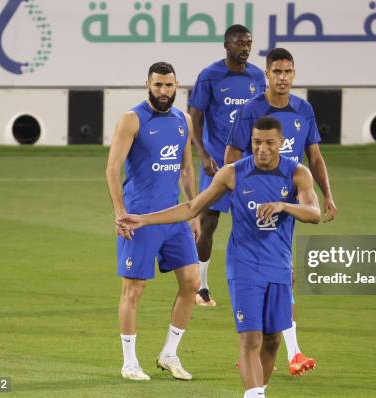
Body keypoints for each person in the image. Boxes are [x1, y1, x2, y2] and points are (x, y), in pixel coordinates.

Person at [118, 116, 321, 398]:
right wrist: (143, 219)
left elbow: (314, 213)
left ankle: (259, 389)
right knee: (251, 338)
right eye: (257, 142)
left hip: (279, 266)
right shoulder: (233, 173)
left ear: (282, 143)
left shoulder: (297, 173)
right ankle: (254, 394)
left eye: (269, 143)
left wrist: (283, 205)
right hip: (244, 267)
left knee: (272, 340)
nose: (262, 148)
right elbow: (191, 207)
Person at [224, 47, 337, 376]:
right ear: (267, 75)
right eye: (277, 72)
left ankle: (274, 349)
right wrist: (244, 196)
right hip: (256, 208)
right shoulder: (250, 112)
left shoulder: (304, 110)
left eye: (288, 72)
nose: (283, 77)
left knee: (284, 275)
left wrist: (326, 195)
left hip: (289, 203)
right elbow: (231, 157)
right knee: (281, 274)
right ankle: (275, 348)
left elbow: (313, 156)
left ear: (294, 74)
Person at [105, 61, 200, 382]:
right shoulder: (132, 120)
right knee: (134, 289)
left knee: (192, 283)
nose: (163, 91)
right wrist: (119, 212)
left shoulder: (182, 120)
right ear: (148, 84)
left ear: (177, 86)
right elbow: (112, 169)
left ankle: (169, 353)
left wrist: (195, 210)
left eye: (169, 85)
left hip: (174, 217)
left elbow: (187, 169)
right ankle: (129, 362)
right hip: (139, 219)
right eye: (158, 85)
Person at [188, 24, 266, 306]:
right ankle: (200, 286)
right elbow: (193, 117)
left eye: (248, 42)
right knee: (209, 223)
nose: (244, 47)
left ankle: (256, 283)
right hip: (217, 164)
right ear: (226, 45)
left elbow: (262, 116)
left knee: (258, 223)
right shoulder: (210, 76)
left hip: (250, 165)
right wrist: (203, 153)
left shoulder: (258, 77)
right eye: (239, 43)